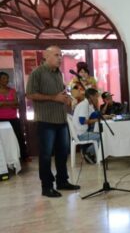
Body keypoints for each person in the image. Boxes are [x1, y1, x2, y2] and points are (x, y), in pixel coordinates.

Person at [26, 45, 80, 197]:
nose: (60, 58)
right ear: (46, 56)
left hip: (61, 120)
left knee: (63, 153)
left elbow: (60, 93)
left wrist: (67, 98)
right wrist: (54, 98)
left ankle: (62, 181)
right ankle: (47, 186)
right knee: (45, 155)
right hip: (46, 121)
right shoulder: (37, 73)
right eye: (56, 55)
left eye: (61, 55)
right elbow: (30, 94)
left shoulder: (58, 74)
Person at [0, 72, 30, 163]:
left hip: (13, 118)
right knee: (3, 139)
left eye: (7, 78)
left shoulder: (12, 91)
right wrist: (10, 103)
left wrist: (3, 104)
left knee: (19, 137)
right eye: (4, 78)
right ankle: (4, 159)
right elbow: (12, 103)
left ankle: (24, 156)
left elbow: (16, 105)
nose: (6, 80)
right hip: (1, 119)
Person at [72, 88, 101, 164]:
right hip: (81, 134)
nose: (97, 98)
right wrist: (96, 120)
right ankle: (87, 152)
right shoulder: (84, 105)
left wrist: (107, 116)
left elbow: (95, 115)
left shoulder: (88, 105)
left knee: (101, 133)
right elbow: (82, 121)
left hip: (83, 132)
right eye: (96, 96)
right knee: (102, 136)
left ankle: (89, 152)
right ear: (91, 96)